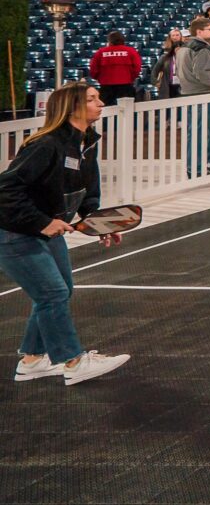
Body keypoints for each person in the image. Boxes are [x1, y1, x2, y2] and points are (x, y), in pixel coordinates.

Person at [0, 83, 129, 385]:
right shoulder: (45, 145)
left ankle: (32, 360)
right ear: (72, 108)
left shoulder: (87, 142)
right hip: (15, 233)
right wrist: (42, 222)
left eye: (99, 98)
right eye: (92, 99)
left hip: (46, 231)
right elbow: (5, 190)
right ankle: (72, 361)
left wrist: (98, 223)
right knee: (52, 293)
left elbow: (87, 189)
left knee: (59, 292)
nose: (101, 103)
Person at [88, 31, 142, 106]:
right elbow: (137, 68)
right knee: (127, 111)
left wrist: (100, 78)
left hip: (106, 87)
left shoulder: (100, 52)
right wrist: (130, 78)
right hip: (125, 86)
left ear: (109, 41)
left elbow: (93, 70)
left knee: (105, 111)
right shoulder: (131, 51)